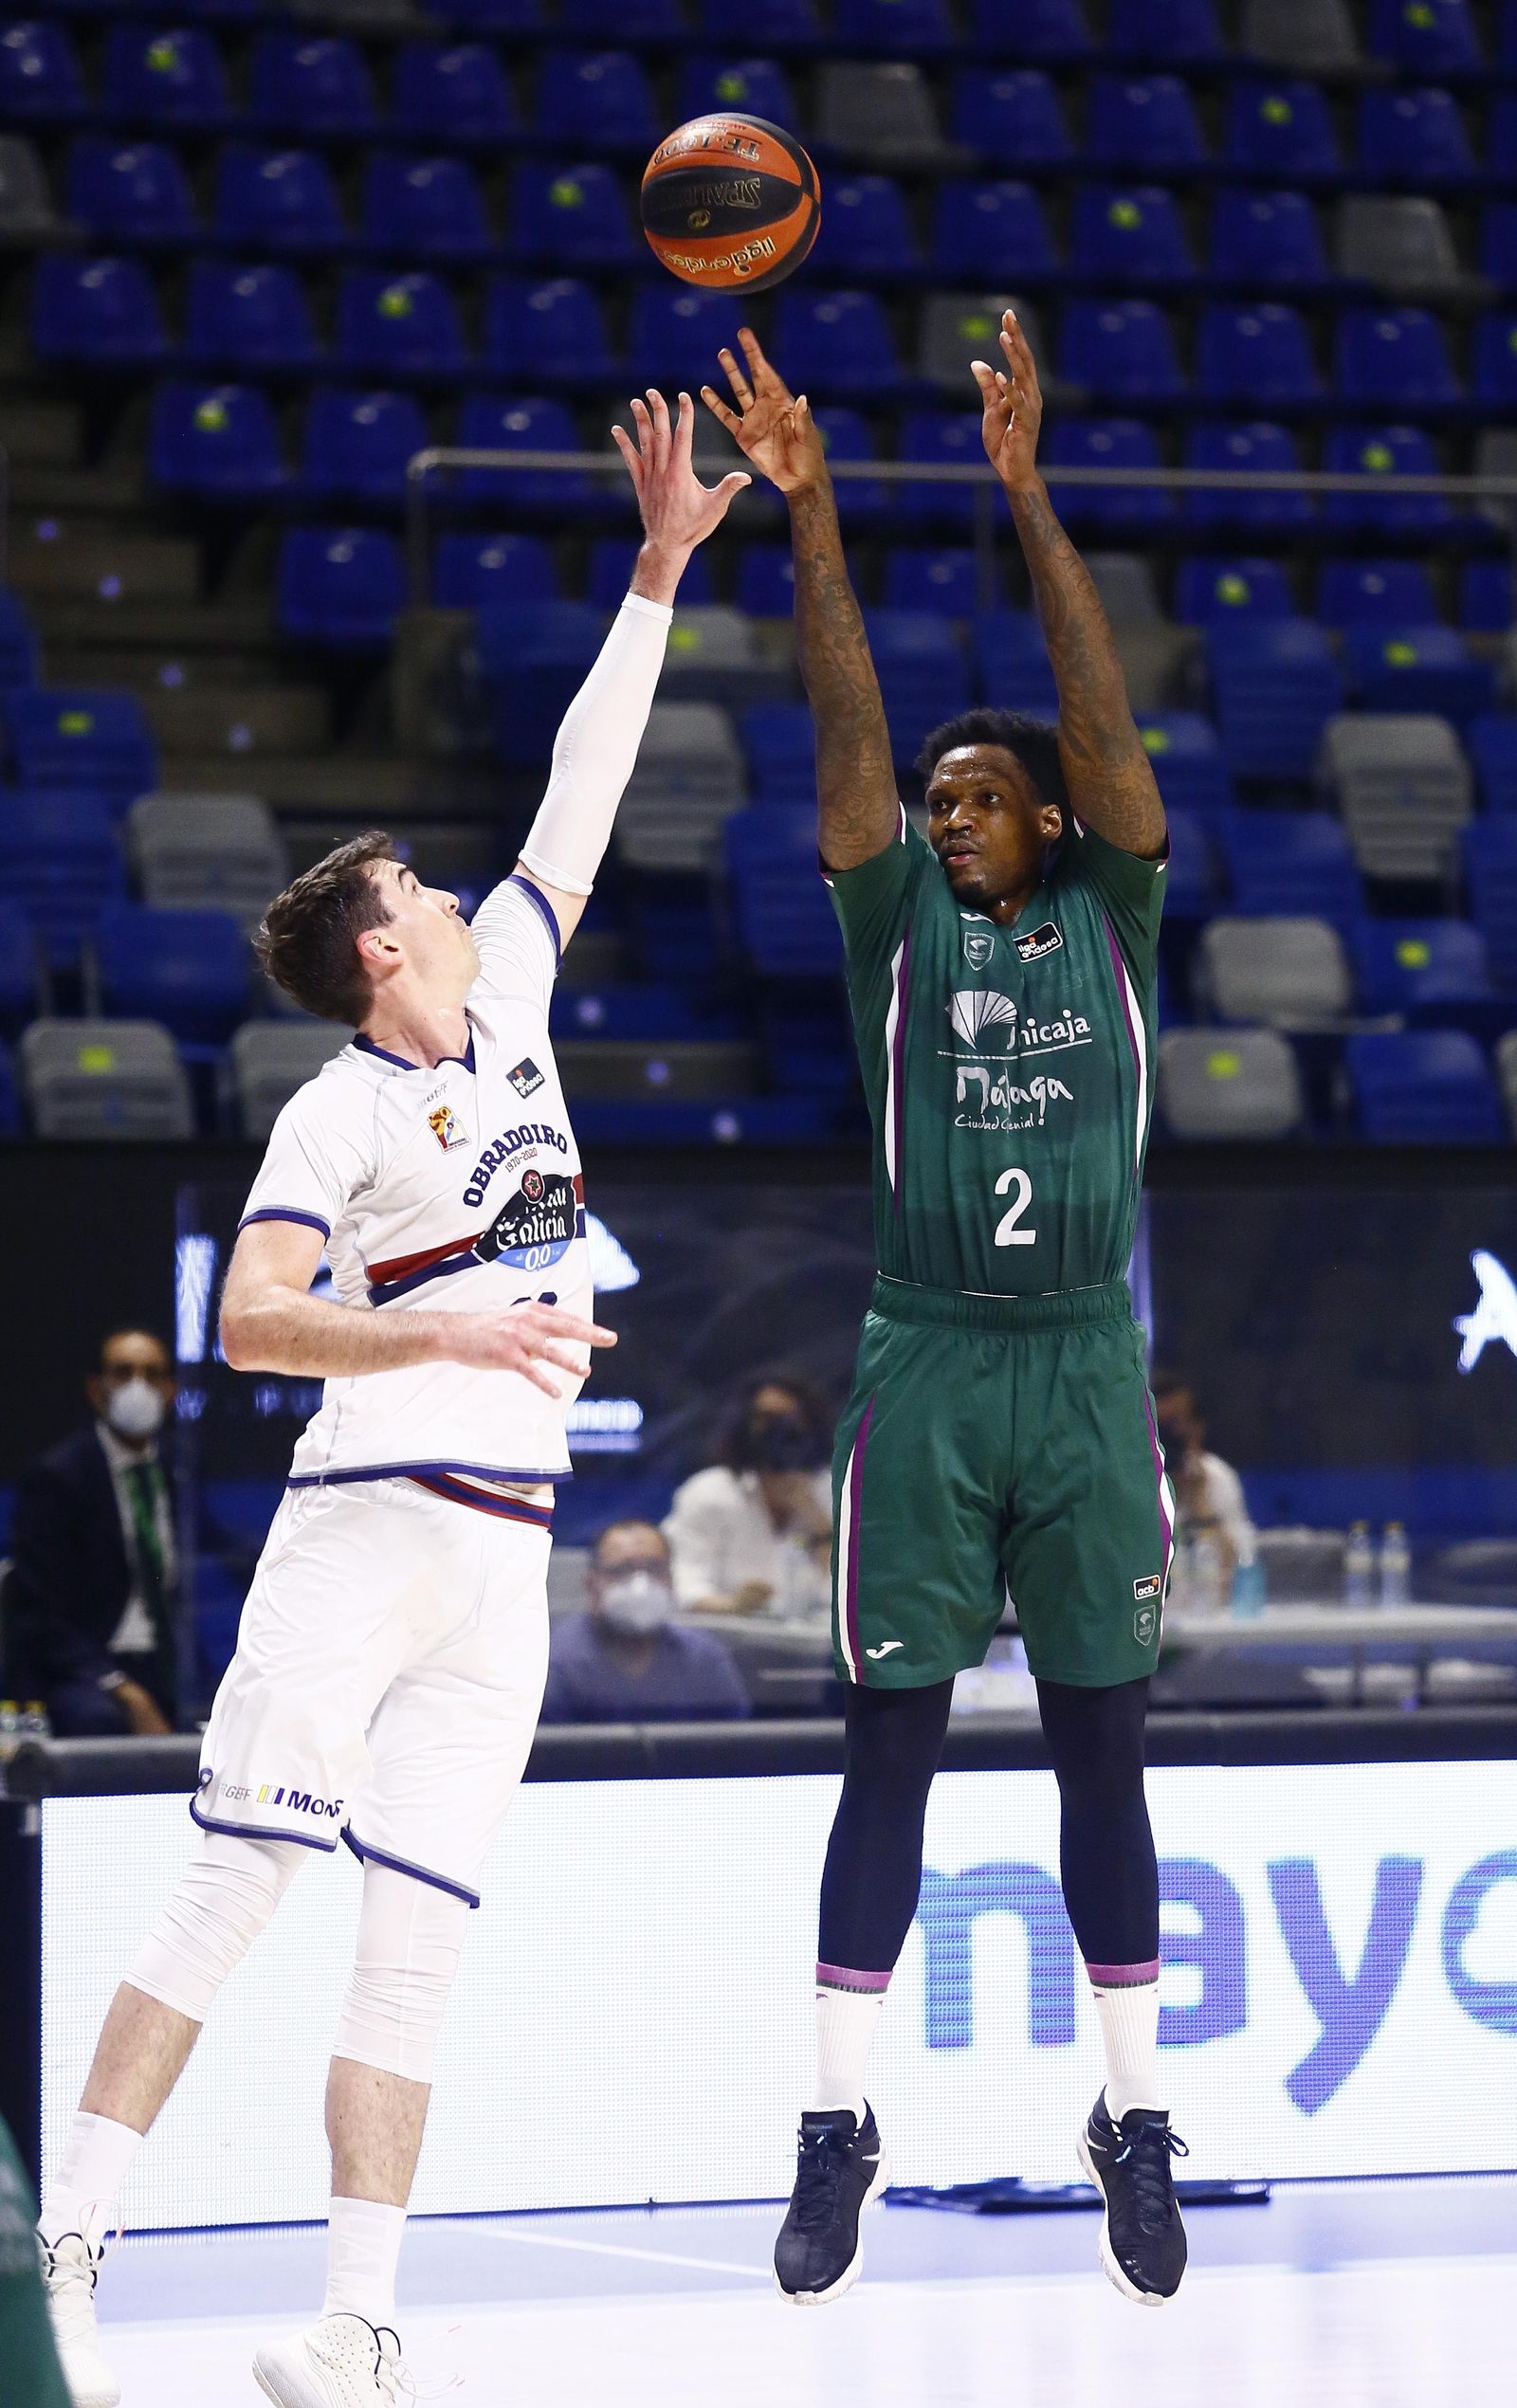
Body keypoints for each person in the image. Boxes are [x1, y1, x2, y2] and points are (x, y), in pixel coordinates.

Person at [36, 388, 750, 2408]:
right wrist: (439, 1334)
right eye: (415, 884)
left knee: (416, 1943)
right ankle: (66, 2244)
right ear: (375, 945)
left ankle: (355, 2322)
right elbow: (253, 1328)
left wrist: (657, 572)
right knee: (239, 1875)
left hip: (505, 1566)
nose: (450, 887)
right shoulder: (332, 1114)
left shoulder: (508, 990)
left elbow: (585, 786)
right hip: (369, 1523)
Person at [704, 313, 1188, 2311]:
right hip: (929, 1357)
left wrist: (1027, 496)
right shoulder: (894, 923)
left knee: (1103, 1757)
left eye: (980, 793)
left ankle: (1133, 2120)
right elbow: (844, 738)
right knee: (887, 1750)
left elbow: (1098, 717)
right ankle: (836, 2123)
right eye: (937, 796)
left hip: (1080, 1363)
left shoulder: (1115, 905)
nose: (946, 808)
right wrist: (811, 515)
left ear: (1054, 821)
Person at [9, 1329, 180, 1739]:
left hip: (165, 1661)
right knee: (99, 1720)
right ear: (95, 1388)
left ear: (171, 1391)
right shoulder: (57, 1478)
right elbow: (40, 1616)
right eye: (123, 1373)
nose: (139, 1386)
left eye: (152, 1374)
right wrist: (122, 1689)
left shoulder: (177, 1473)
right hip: (87, 1667)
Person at [539, 1519, 750, 1724]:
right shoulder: (554, 1663)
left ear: (671, 1579)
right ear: (591, 1585)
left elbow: (736, 1741)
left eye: (654, 1568)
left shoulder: (703, 1658)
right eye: (621, 1570)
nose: (640, 1586)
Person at [664, 1377, 832, 1621]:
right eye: (767, 1418)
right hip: (725, 1636)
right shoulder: (709, 1491)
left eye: (791, 1418)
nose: (780, 1431)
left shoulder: (837, 1493)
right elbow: (681, 1582)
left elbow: (857, 1599)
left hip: (815, 1640)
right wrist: (732, 1605)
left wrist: (820, 1527)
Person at [1151, 1370, 1257, 1614]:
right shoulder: (1132, 1485)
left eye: (1175, 1425)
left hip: (1208, 1625)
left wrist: (1200, 1505)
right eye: (1160, 1427)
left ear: (1197, 1428)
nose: (1170, 1438)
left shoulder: (1219, 1479)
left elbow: (1243, 1569)